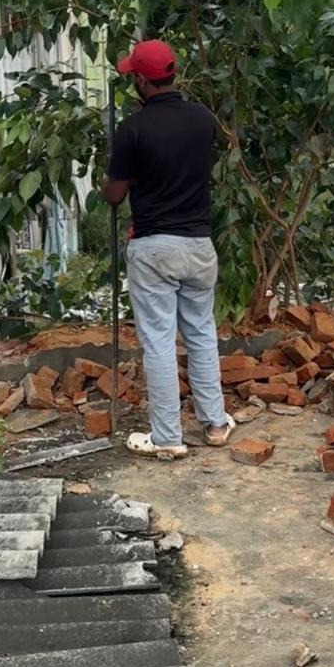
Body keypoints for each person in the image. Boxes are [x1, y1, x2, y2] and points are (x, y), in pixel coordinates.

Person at [101, 40, 233, 459]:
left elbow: (114, 196)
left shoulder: (133, 130)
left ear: (142, 79)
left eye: (132, 76)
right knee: (201, 332)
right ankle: (215, 423)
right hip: (199, 245)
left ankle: (167, 437)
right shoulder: (202, 119)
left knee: (158, 341)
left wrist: (118, 180)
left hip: (155, 246)